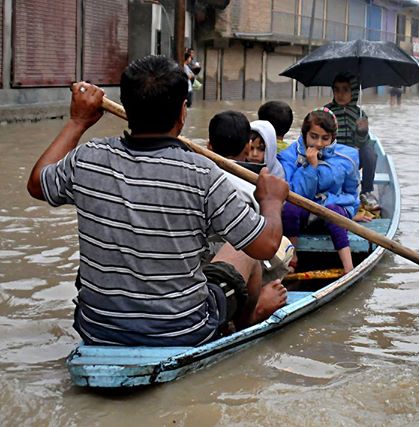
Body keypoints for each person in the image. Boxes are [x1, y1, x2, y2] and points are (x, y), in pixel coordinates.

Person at [26, 55, 289, 346]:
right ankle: (247, 321)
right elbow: (266, 246)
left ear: (126, 107)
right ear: (182, 112)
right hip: (183, 328)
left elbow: (38, 184)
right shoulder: (202, 173)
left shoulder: (88, 158)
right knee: (245, 253)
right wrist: (271, 201)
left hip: (96, 328)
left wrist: (77, 122)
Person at [208, 112, 294, 283]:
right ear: (247, 148)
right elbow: (265, 245)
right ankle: (263, 293)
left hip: (206, 258)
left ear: (209, 146)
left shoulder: (197, 175)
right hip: (236, 266)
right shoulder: (253, 189)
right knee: (285, 246)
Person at [278, 108, 360, 274]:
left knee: (333, 213)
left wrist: (328, 204)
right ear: (304, 134)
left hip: (331, 212)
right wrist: (310, 166)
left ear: (333, 138)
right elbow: (295, 195)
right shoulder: (288, 157)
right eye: (314, 136)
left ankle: (348, 268)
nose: (319, 144)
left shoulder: (348, 158)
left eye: (325, 138)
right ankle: (292, 258)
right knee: (290, 209)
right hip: (301, 216)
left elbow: (352, 195)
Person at [324, 73, 378, 211]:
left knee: (370, 152)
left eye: (345, 90)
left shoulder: (359, 115)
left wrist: (362, 132)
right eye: (337, 90)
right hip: (333, 155)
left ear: (353, 92)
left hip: (354, 156)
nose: (340, 94)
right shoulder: (327, 111)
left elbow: (362, 143)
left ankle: (366, 191)